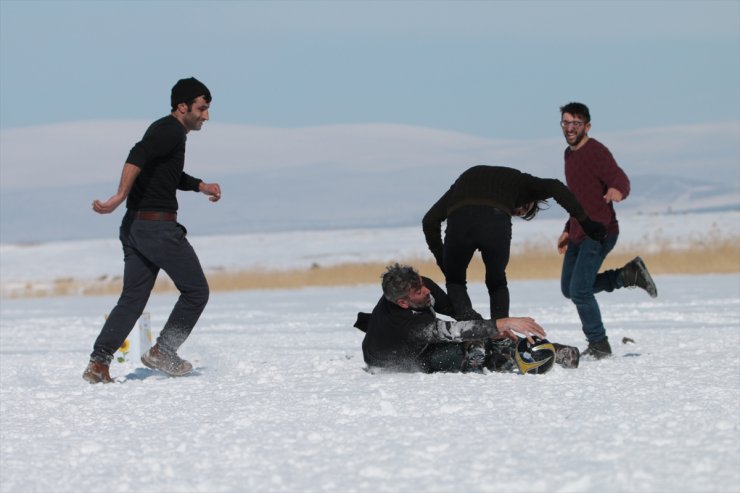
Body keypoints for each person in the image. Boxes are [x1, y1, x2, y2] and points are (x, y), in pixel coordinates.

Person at [82, 77, 222, 384]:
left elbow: (167, 173)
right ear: (182, 106)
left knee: (132, 300)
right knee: (196, 291)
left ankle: (99, 363)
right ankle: (163, 350)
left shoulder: (167, 132)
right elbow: (138, 154)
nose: (206, 116)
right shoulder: (169, 131)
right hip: (156, 227)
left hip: (136, 226)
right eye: (202, 108)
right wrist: (118, 196)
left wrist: (200, 186)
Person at [422, 165, 607, 322]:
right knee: (497, 283)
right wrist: (586, 222)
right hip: (494, 224)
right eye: (525, 207)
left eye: (518, 214)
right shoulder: (523, 182)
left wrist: (443, 259)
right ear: (531, 197)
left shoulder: (468, 177)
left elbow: (429, 220)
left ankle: (470, 331)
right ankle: (500, 340)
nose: (518, 209)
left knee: (455, 281)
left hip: (460, 224)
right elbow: (555, 186)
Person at [557, 102, 657, 359]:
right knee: (570, 288)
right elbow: (577, 197)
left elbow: (619, 176)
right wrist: (568, 229)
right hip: (580, 231)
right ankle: (628, 275)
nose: (570, 128)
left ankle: (599, 344)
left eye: (575, 123)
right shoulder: (569, 155)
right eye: (565, 123)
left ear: (587, 126)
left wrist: (618, 191)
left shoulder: (596, 151)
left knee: (580, 290)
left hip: (600, 231)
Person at [354, 263, 581, 373]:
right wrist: (503, 322)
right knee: (457, 353)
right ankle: (500, 361)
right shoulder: (407, 324)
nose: (426, 291)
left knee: (481, 332)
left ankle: (550, 350)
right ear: (403, 302)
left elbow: (457, 312)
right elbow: (453, 331)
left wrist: (493, 329)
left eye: (422, 285)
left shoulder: (421, 287)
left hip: (420, 338)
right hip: (397, 358)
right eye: (418, 292)